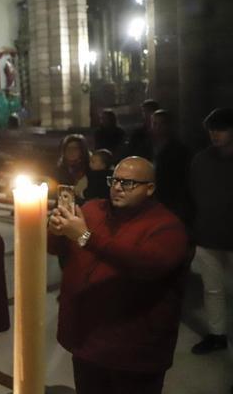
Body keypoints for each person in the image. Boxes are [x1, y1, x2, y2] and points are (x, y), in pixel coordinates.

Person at [48, 157, 190, 394]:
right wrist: (56, 230)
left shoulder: (167, 226)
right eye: (114, 180)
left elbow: (145, 264)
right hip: (86, 339)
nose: (117, 187)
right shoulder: (93, 209)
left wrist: (85, 237)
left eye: (128, 183)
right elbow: (57, 249)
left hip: (133, 350)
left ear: (150, 188)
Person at [189, 107, 233, 355]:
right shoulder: (202, 160)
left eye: (221, 129)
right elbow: (194, 192)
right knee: (212, 289)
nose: (215, 135)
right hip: (208, 233)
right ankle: (217, 335)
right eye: (212, 130)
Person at [150, 110, 192, 222]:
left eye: (161, 123)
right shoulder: (146, 146)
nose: (158, 127)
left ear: (168, 125)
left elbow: (184, 179)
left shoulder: (179, 150)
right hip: (151, 200)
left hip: (171, 201)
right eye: (155, 123)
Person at [54, 134, 90, 200]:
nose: (71, 151)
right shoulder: (60, 168)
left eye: (75, 148)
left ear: (82, 151)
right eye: (68, 148)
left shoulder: (90, 169)